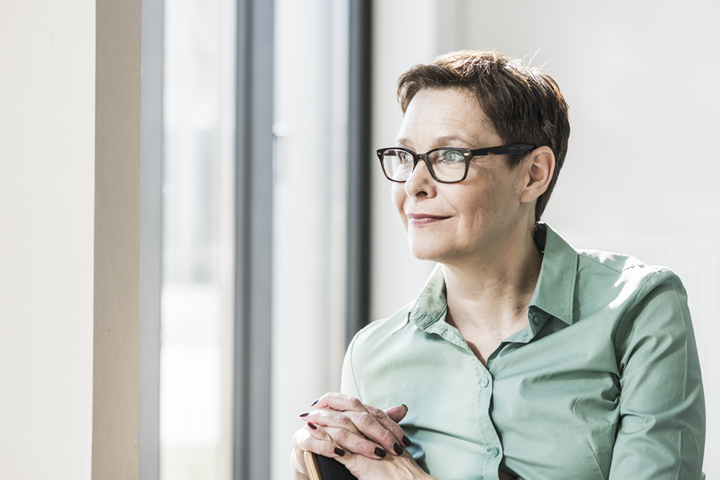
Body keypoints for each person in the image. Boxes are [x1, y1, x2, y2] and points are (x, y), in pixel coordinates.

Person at [291, 50, 706, 480]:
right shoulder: (370, 355)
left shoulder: (641, 308)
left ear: (532, 175)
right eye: (406, 156)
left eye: (449, 156)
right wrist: (318, 465)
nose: (414, 184)